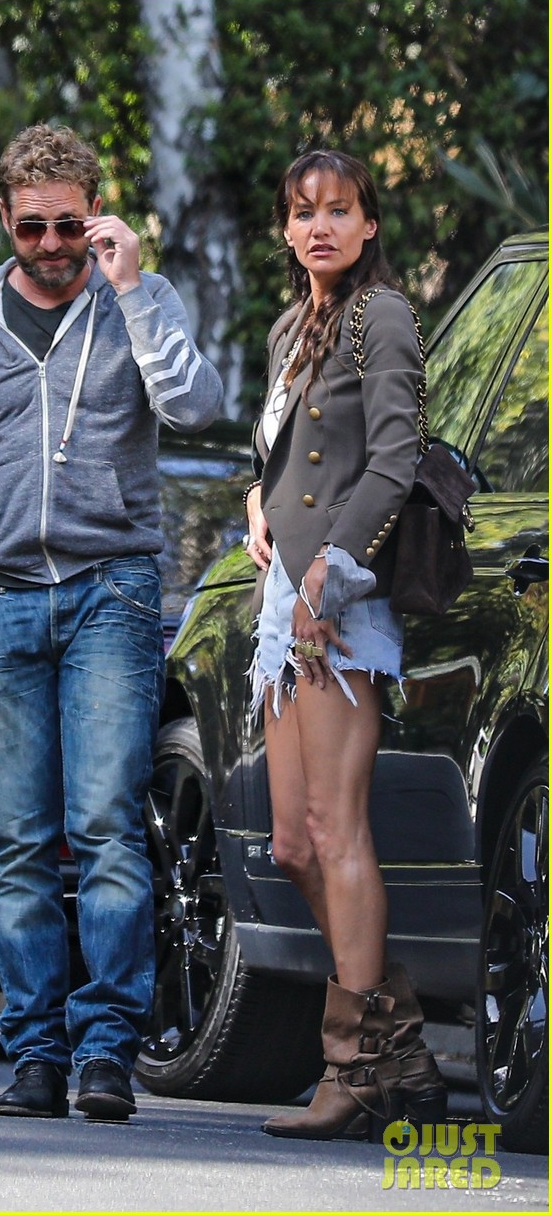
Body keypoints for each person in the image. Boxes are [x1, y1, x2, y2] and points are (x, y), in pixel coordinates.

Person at [0, 123, 223, 1121]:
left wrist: (135, 289)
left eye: (70, 224)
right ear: (5, 220)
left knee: (105, 825)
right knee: (18, 838)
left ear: (96, 213)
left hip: (112, 593)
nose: (53, 245)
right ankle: (34, 1052)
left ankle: (106, 1051)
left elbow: (197, 408)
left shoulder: (134, 300)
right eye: (33, 227)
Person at [243, 149, 447, 1141]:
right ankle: (397, 1042)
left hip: (340, 589)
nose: (318, 226)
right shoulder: (290, 328)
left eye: (338, 210)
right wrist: (256, 501)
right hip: (283, 592)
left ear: (368, 225)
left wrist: (332, 570)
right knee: (290, 843)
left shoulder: (384, 314)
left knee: (335, 828)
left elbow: (395, 454)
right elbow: (275, 454)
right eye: (302, 212)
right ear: (286, 230)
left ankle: (357, 1065)